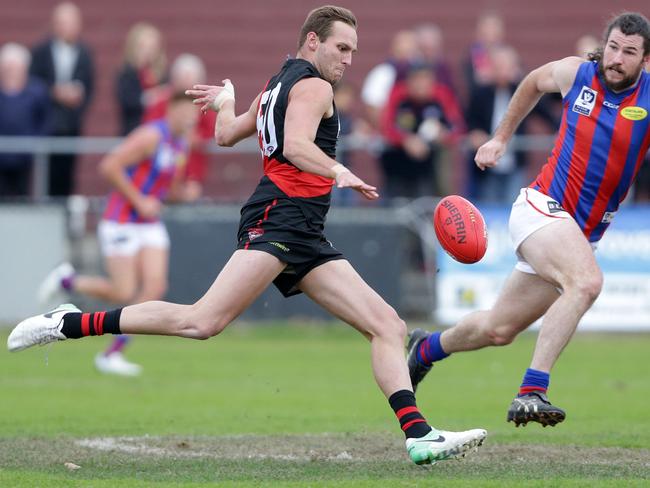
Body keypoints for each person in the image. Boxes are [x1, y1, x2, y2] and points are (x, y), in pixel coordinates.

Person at [8, 6, 486, 465]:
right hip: (280, 217)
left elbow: (225, 135)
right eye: (341, 47)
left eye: (353, 51)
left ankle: (419, 436)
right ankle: (68, 324)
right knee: (201, 321)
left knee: (388, 325)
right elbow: (298, 146)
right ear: (312, 41)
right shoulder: (315, 88)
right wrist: (339, 170)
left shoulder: (275, 85)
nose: (348, 59)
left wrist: (226, 102)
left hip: (302, 228)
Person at [407, 12, 650, 428]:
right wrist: (500, 137)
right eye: (612, 48)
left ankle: (424, 349)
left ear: (644, 60)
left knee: (498, 329)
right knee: (586, 283)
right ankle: (531, 391)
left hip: (579, 233)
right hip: (542, 207)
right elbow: (533, 81)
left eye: (628, 53)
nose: (616, 58)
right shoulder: (577, 73)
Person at [37, 92, 199, 376]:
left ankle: (113, 353)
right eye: (185, 110)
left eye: (194, 112)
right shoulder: (151, 135)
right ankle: (67, 280)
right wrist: (139, 201)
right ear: (171, 109)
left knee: (154, 287)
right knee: (123, 291)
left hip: (149, 223)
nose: (191, 117)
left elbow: (168, 191)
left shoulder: (180, 145)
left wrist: (184, 194)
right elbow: (110, 165)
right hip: (122, 219)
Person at [465, 45, 557, 203]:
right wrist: (474, 133)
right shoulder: (480, 93)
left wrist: (558, 131)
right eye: (498, 67)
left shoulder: (523, 92)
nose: (503, 72)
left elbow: (546, 114)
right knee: (488, 205)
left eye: (507, 67)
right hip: (487, 165)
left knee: (512, 204)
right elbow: (469, 119)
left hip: (515, 161)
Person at [29, 1, 94, 197]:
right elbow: (34, 82)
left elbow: (89, 86)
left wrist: (76, 97)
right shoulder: (41, 51)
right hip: (46, 124)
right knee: (45, 174)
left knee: (67, 175)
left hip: (71, 124)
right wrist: (54, 92)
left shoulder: (84, 52)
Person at [380, 63, 464, 200]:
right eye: (416, 79)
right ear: (408, 81)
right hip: (398, 164)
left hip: (431, 165)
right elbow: (387, 126)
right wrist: (406, 140)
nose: (421, 85)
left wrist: (443, 134)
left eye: (425, 79)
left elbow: (457, 126)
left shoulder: (442, 95)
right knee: (397, 200)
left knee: (432, 199)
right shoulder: (398, 94)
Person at [143, 53, 216, 199]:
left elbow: (211, 134)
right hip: (158, 169)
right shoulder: (161, 102)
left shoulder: (205, 104)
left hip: (192, 170)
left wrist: (193, 139)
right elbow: (149, 129)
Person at [0, 43, 50, 197]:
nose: (12, 72)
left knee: (23, 196)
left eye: (16, 67)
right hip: (1, 156)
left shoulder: (36, 91)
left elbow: (46, 120)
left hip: (25, 157)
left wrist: (35, 142)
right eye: (8, 68)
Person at [115, 22, 167, 136]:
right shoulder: (126, 73)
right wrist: (148, 98)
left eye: (152, 47)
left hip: (158, 133)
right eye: (143, 47)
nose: (148, 51)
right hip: (133, 131)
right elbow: (126, 101)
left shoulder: (163, 74)